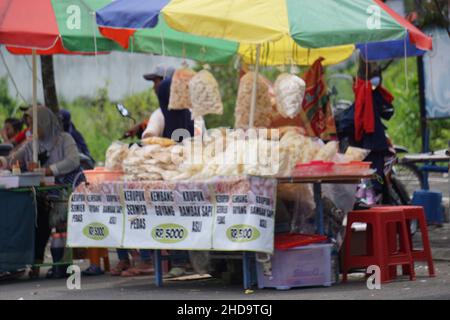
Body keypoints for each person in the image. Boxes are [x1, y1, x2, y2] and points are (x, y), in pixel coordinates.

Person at [0, 105, 85, 279]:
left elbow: (73, 160)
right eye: (29, 124)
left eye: (33, 124)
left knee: (48, 213)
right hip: (46, 191)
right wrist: (4, 161)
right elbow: (13, 159)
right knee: (34, 212)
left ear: (44, 122)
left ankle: (56, 263)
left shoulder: (64, 139)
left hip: (68, 190)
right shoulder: (33, 144)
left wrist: (49, 170)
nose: (30, 129)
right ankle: (34, 260)